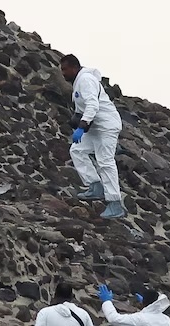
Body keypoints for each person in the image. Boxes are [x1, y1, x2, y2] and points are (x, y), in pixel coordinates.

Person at [59, 54, 125, 219]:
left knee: (105, 162)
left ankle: (115, 203)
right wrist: (77, 119)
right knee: (77, 150)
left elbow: (93, 105)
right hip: (95, 127)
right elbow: (83, 108)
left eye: (65, 69)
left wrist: (82, 126)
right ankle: (95, 186)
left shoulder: (85, 80)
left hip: (106, 126)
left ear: (74, 67)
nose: (63, 73)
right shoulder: (79, 82)